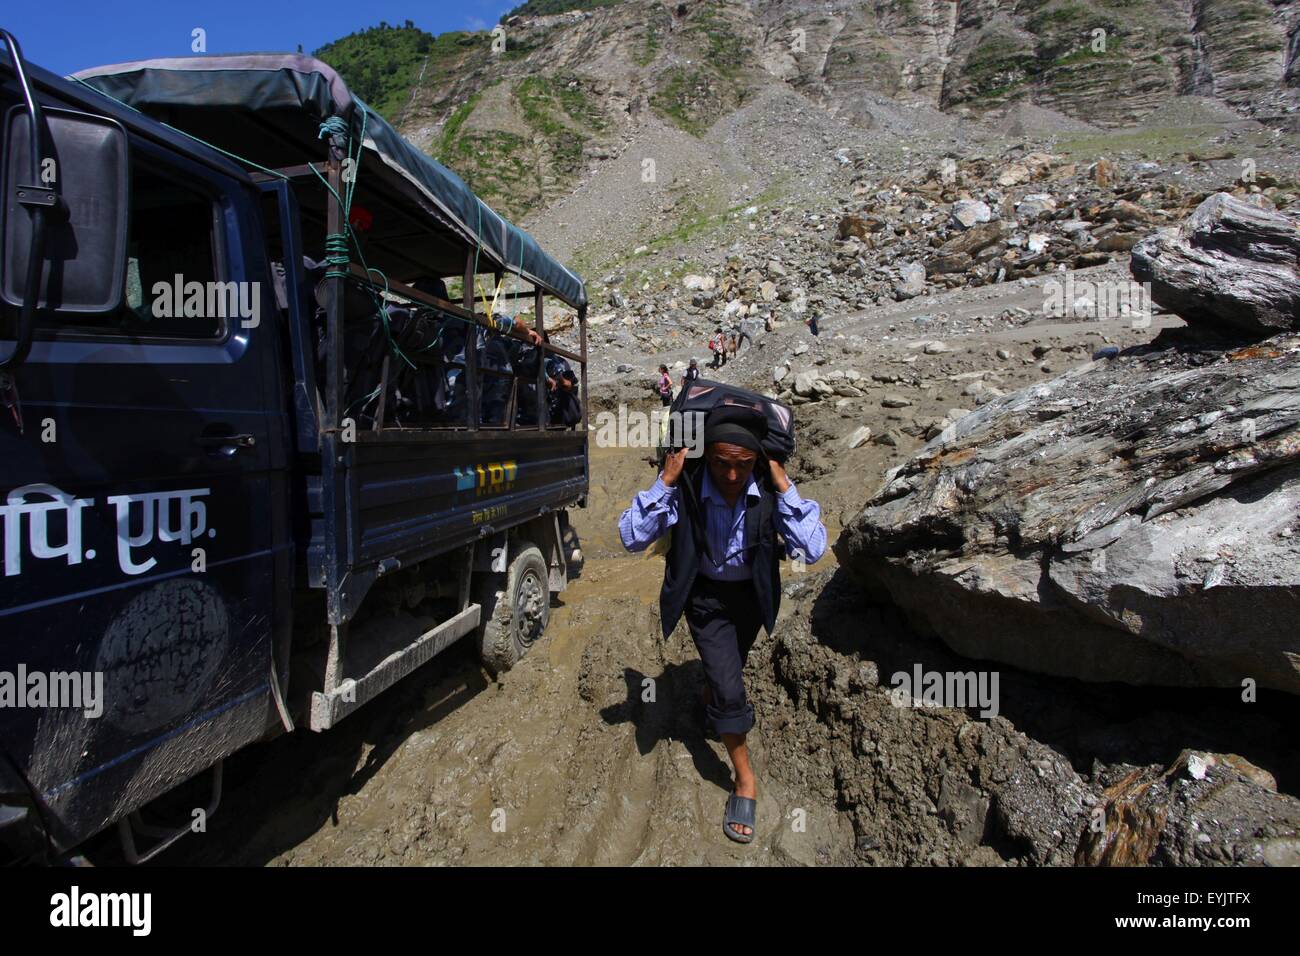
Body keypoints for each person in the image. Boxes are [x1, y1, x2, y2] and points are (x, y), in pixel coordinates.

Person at [618, 410, 827, 844]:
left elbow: (814, 547)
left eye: (743, 464)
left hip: (752, 599)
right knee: (732, 685)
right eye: (720, 462)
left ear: (758, 461)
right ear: (705, 457)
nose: (731, 475)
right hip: (706, 600)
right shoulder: (689, 488)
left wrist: (783, 482)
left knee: (730, 664)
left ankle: (713, 694)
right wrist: (666, 481)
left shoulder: (769, 490)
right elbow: (631, 536)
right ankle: (745, 778)